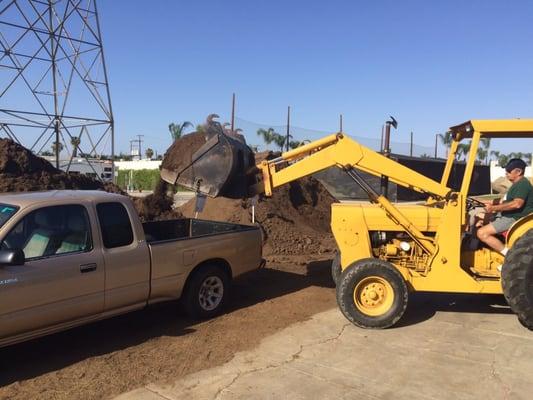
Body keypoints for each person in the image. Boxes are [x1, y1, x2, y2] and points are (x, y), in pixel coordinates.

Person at [477, 158, 533, 256]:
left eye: (508, 171)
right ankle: (477, 247)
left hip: (514, 218)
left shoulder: (523, 185)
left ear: (519, 171)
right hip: (508, 216)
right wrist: (479, 201)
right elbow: (501, 201)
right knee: (479, 218)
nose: (506, 174)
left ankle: (508, 255)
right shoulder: (516, 185)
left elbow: (517, 204)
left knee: (482, 233)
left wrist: (493, 208)